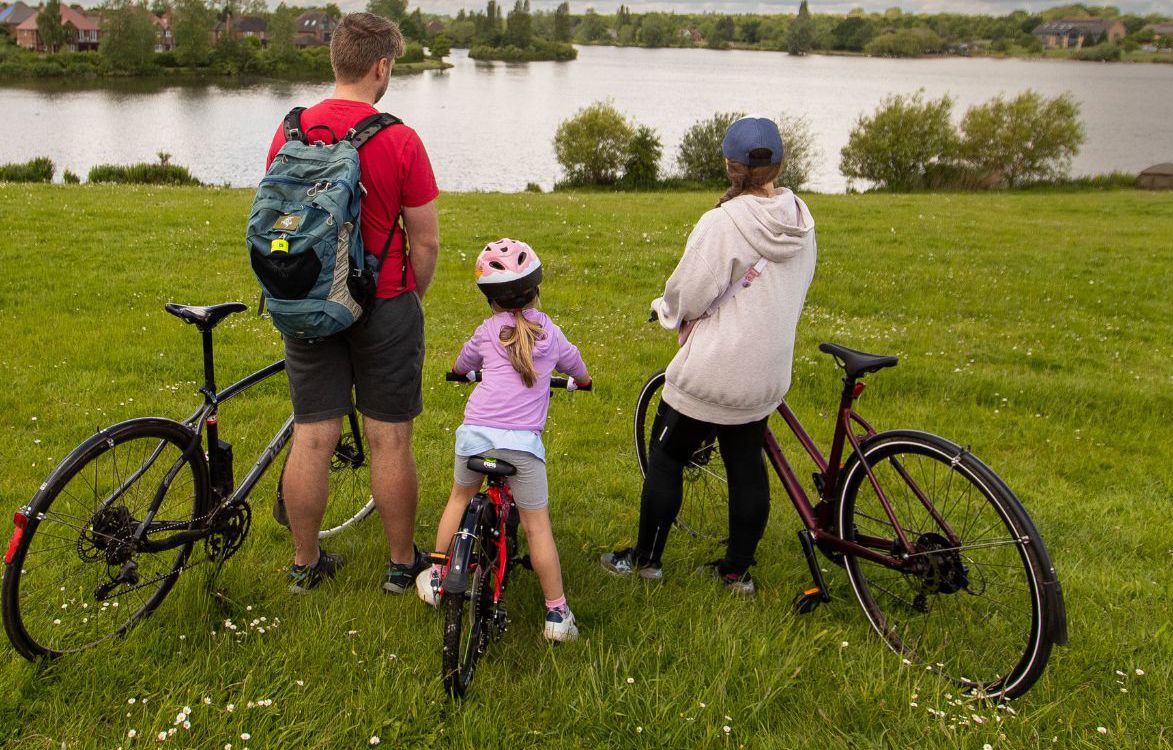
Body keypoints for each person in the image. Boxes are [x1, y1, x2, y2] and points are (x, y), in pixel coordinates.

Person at [601, 116, 817, 595]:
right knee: (746, 465)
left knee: (667, 456)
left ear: (729, 165)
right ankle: (737, 572)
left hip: (715, 371)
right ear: (779, 163)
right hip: (766, 372)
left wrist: (665, 311)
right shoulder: (801, 221)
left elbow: (689, 294)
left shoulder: (722, 223)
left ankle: (646, 561)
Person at [264, 12, 440, 594]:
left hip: (308, 300)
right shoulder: (399, 138)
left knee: (313, 434)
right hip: (383, 301)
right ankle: (398, 565)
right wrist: (408, 294)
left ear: (335, 59)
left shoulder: (289, 131)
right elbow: (427, 241)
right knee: (390, 438)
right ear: (381, 66)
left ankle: (305, 564)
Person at [415, 239, 592, 642]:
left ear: (490, 299)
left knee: (459, 500)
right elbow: (576, 364)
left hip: (474, 437)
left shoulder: (486, 332)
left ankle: (440, 576)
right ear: (536, 290)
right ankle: (556, 615)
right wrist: (583, 381)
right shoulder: (550, 332)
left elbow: (463, 364)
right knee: (536, 528)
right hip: (522, 450)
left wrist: (461, 373)